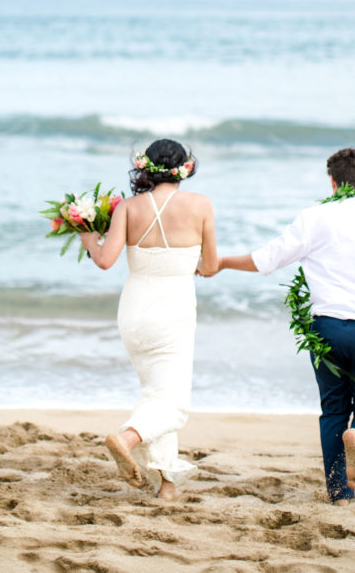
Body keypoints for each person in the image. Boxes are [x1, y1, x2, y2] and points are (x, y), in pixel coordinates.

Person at [198, 146, 355, 504]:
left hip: (328, 329)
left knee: (333, 409)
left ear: (332, 183)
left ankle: (339, 492)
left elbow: (267, 259)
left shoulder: (313, 218)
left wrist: (220, 262)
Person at [79, 138, 218, 501]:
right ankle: (126, 438)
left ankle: (167, 485)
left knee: (157, 392)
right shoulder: (201, 205)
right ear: (185, 168)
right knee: (172, 402)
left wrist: (88, 238)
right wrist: (196, 266)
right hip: (173, 310)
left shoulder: (129, 207)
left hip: (135, 311)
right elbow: (211, 265)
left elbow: (105, 260)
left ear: (146, 168)